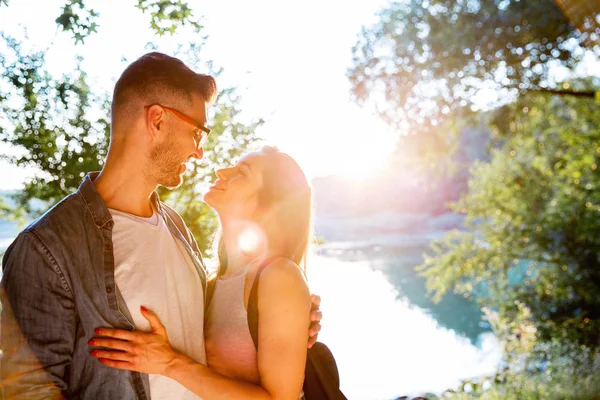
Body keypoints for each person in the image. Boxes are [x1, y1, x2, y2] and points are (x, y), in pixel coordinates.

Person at [0, 53, 322, 399]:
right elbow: (27, 391)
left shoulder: (176, 228)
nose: (201, 152)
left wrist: (284, 320)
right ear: (157, 120)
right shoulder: (46, 248)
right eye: (198, 132)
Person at [89, 146, 314, 400]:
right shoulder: (210, 281)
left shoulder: (279, 276)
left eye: (242, 172)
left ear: (267, 206)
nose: (221, 171)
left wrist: (170, 363)